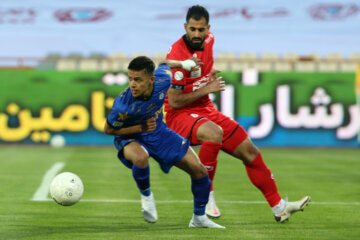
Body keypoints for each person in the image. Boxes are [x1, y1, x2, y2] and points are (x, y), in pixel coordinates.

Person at [164, 5, 310, 222]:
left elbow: (202, 68)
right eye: (192, 29)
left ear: (208, 29)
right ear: (185, 27)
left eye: (201, 30)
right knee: (214, 133)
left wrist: (206, 73)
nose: (196, 34)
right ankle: (206, 198)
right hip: (180, 116)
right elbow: (174, 102)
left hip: (205, 109)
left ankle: (279, 207)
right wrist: (206, 88)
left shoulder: (210, 40)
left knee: (250, 151)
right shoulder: (178, 56)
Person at [104, 56, 225, 228]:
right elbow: (109, 130)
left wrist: (184, 64)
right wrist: (140, 128)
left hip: (158, 132)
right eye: (130, 79)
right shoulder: (122, 105)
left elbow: (164, 64)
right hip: (130, 135)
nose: (132, 84)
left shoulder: (163, 79)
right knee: (140, 157)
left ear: (151, 79)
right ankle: (147, 197)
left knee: (199, 171)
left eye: (137, 80)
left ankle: (199, 218)